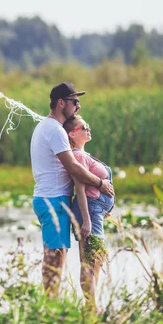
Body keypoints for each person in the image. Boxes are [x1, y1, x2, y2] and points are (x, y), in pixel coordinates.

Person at [30, 82, 114, 296]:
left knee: (58, 255)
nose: (78, 107)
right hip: (53, 200)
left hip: (53, 200)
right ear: (61, 103)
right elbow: (73, 167)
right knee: (54, 259)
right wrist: (99, 183)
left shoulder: (48, 127)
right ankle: (49, 311)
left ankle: (52, 307)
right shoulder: (55, 130)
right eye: (75, 102)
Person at [63, 114, 114, 307]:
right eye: (84, 127)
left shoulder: (83, 155)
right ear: (72, 135)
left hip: (95, 211)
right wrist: (86, 220)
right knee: (91, 259)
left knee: (95, 259)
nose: (88, 129)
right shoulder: (77, 156)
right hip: (89, 211)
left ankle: (91, 306)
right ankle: (91, 307)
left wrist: (104, 207)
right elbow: (80, 188)